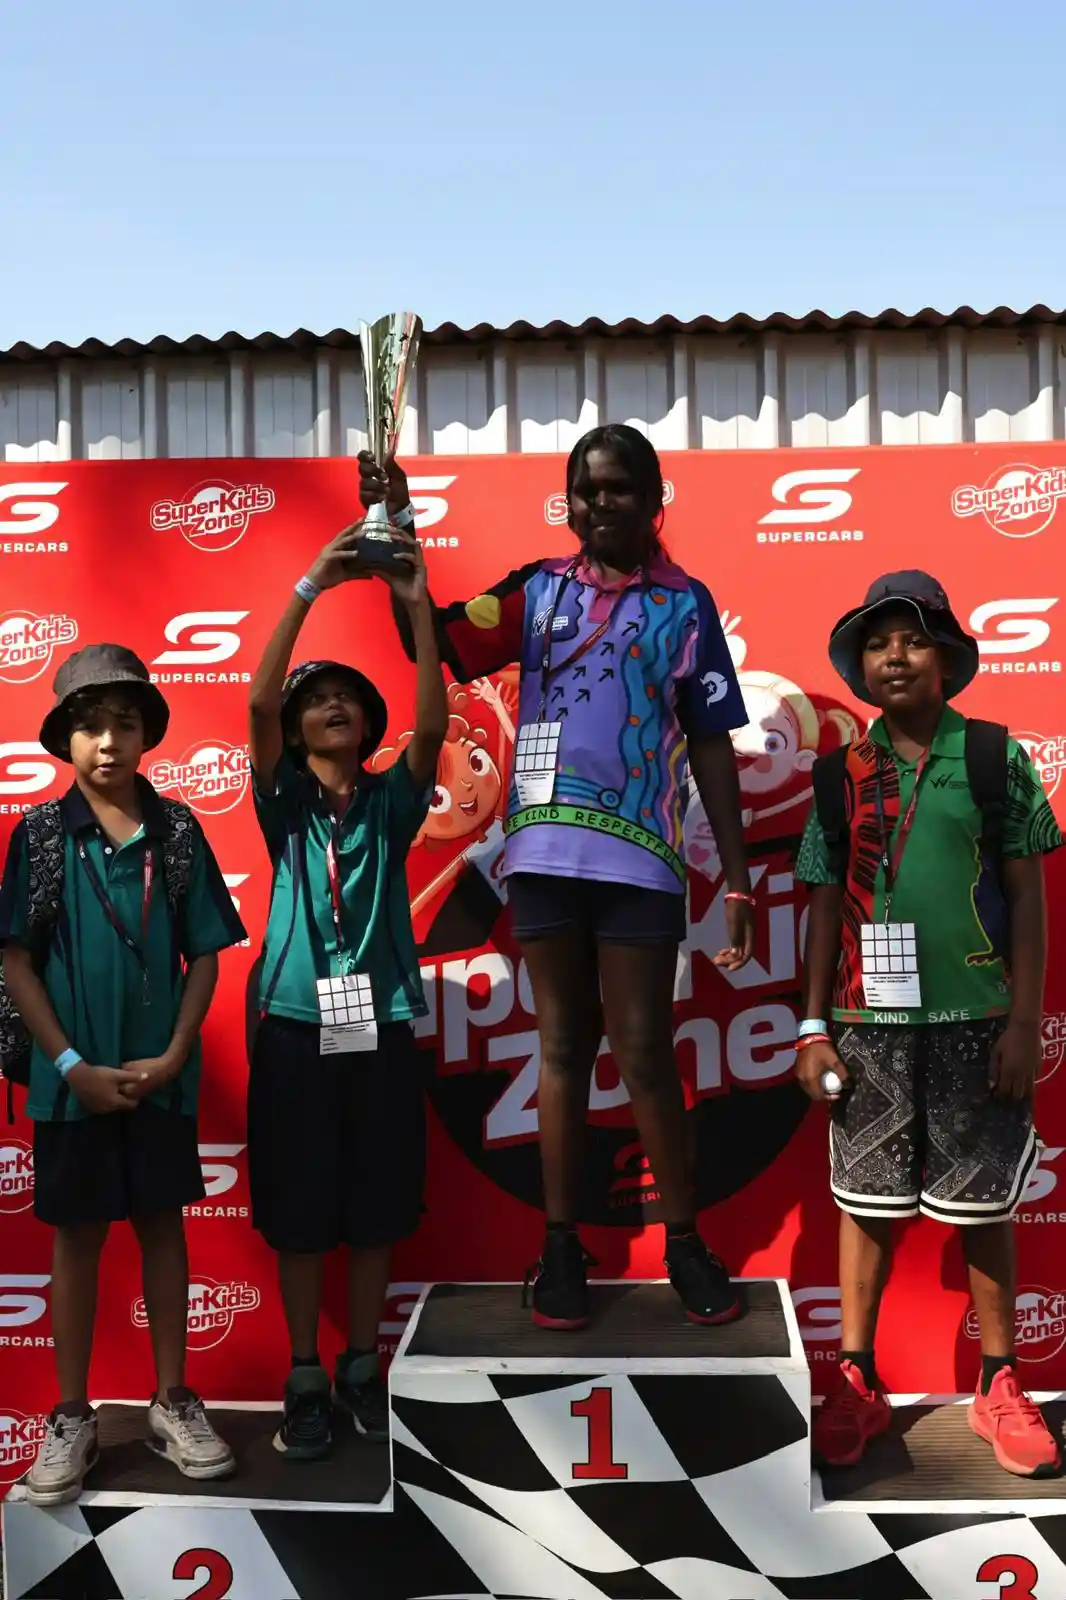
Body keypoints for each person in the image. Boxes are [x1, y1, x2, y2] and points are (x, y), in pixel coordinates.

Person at [359, 425, 755, 1331]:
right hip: (540, 859)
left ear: (656, 501)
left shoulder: (687, 606)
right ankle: (560, 1245)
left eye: (618, 489)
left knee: (648, 1055)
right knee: (563, 1052)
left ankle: (685, 1243)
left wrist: (735, 879)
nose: (598, 506)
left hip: (643, 864)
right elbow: (439, 641)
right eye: (583, 491)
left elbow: (710, 747)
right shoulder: (535, 592)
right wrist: (395, 522)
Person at [795, 571, 1063, 1478]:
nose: (895, 656)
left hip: (978, 1025)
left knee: (984, 1207)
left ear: (947, 660)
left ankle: (999, 1383)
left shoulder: (994, 758)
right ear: (861, 667)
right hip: (865, 1025)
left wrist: (1026, 1023)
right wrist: (809, 1028)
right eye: (877, 643)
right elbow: (823, 907)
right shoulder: (839, 772)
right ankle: (857, 1381)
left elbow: (1028, 900)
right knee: (865, 1210)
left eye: (913, 640)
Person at [0, 645, 246, 1505]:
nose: (108, 740)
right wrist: (67, 1062)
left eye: (125, 722)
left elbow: (209, 953)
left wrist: (177, 1052)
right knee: (76, 1240)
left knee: (162, 1228)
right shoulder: (37, 836)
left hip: (159, 1079)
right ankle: (72, 1418)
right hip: (72, 1085)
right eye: (90, 724)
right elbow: (18, 964)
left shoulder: (177, 829)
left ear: (148, 734)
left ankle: (172, 1399)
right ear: (65, 738)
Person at [247, 517, 447, 1459]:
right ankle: (302, 1374)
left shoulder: (390, 802)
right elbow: (252, 709)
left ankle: (362, 1365)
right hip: (290, 1024)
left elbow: (436, 725)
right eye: (314, 700)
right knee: (298, 1206)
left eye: (346, 699)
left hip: (379, 1025)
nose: (332, 707)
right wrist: (310, 586)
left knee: (374, 1203)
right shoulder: (282, 802)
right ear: (292, 732)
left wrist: (414, 605)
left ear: (367, 725)